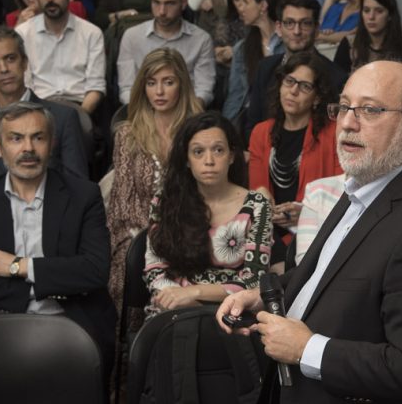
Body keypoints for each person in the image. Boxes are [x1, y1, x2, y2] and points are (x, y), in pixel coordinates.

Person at [217, 60, 402, 404]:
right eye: (343, 107)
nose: (347, 124)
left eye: (370, 110)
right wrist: (267, 294)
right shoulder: (366, 184)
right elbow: (332, 276)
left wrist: (307, 349)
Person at [0, 101, 115, 385]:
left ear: (51, 144)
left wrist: (19, 266)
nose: (28, 148)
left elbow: (94, 270)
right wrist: (50, 282)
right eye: (16, 138)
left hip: (68, 323)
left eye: (37, 137)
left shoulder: (83, 196)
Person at [106, 48, 202, 380]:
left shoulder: (199, 131)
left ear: (182, 85)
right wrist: (150, 241)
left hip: (190, 236)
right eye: (151, 82)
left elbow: (206, 195)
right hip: (135, 236)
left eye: (168, 82)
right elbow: (122, 203)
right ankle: (133, 378)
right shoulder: (127, 134)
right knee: (127, 265)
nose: (159, 92)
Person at [144, 111, 272, 315]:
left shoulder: (256, 204)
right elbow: (155, 270)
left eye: (218, 150)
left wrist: (195, 294)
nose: (209, 160)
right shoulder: (165, 201)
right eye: (198, 152)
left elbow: (255, 279)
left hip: (235, 311)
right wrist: (182, 300)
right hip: (173, 309)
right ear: (186, 159)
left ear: (231, 156)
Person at [0, 24, 87, 190]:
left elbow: (78, 188)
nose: (4, 69)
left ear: (24, 63)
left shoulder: (64, 118)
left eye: (10, 58)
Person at [248, 52, 341, 267]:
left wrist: (306, 214)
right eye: (289, 81)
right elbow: (257, 191)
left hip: (313, 233)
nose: (293, 91)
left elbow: (341, 194)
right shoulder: (261, 133)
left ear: (317, 98)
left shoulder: (332, 135)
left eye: (305, 86)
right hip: (267, 233)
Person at [244, 0, 347, 141]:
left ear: (317, 29)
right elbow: (252, 125)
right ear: (279, 28)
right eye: (289, 23)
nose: (297, 31)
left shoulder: (336, 77)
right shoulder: (265, 68)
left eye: (305, 23)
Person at [15, 0, 106, 115]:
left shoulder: (92, 33)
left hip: (79, 108)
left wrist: (79, 116)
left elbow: (95, 88)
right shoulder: (23, 33)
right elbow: (24, 85)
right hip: (37, 110)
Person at [118, 0, 215, 106]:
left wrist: (186, 114)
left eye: (169, 3)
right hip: (143, 111)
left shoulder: (201, 39)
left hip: (187, 112)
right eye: (156, 2)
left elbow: (204, 90)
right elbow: (127, 89)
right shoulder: (132, 36)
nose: (162, 11)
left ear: (183, 3)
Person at [222, 0, 282, 122]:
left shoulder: (289, 43)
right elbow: (236, 96)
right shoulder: (242, 48)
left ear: (262, 6)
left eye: (246, 2)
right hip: (251, 119)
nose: (240, 8)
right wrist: (226, 128)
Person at [334, 0, 402, 72]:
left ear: (390, 15)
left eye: (379, 11)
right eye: (366, 10)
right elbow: (337, 82)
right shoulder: (349, 45)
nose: (371, 17)